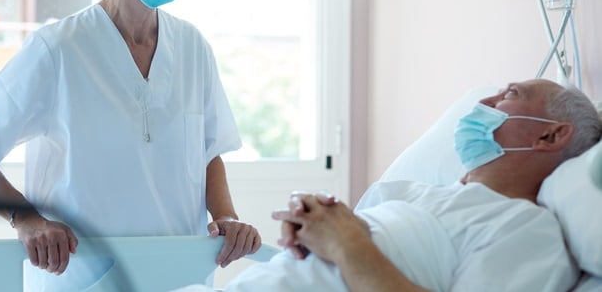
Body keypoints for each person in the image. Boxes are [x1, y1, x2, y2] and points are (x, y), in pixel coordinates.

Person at [0, 0, 260, 290]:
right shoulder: (57, 49)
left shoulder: (192, 47)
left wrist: (227, 218)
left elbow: (207, 151)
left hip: (180, 277)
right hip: (81, 276)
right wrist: (26, 220)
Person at [174, 79, 602, 292]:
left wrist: (346, 243)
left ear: (549, 135)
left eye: (509, 94)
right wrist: (315, 221)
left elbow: (352, 247)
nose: (483, 104)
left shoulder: (529, 230)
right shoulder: (416, 191)